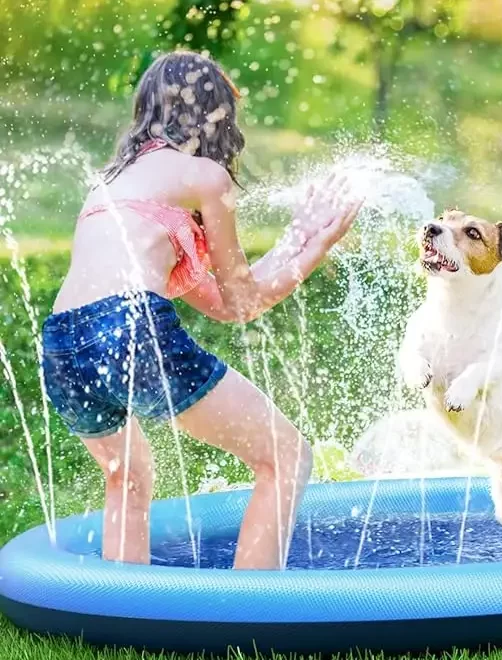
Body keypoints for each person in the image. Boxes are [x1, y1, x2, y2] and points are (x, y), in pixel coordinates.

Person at [40, 50, 363, 569]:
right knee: (285, 456)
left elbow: (224, 300)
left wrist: (296, 239)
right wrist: (316, 248)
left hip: (60, 343)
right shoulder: (204, 176)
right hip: (130, 325)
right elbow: (244, 302)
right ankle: (251, 617)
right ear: (215, 116)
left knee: (129, 474)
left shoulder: (114, 184)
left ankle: (125, 617)